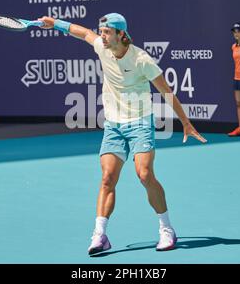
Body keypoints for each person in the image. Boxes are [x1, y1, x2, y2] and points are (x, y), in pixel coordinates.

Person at [38, 13, 207, 255]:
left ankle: (166, 228)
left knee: (145, 174)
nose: (102, 36)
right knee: (107, 178)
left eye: (107, 32)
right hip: (113, 125)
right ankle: (100, 235)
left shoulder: (141, 59)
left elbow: (166, 92)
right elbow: (83, 32)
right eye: (102, 31)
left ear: (121, 34)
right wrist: (55, 23)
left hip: (140, 122)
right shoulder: (102, 47)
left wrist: (186, 123)